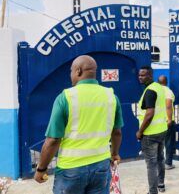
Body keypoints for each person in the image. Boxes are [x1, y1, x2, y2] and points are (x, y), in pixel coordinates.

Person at [34, 55, 123, 194]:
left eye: (71, 71)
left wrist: (41, 168)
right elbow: (116, 132)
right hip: (101, 166)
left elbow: (53, 140)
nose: (71, 75)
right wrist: (115, 154)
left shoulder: (65, 97)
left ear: (78, 71)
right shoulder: (111, 96)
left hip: (71, 169)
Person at [136, 66, 168, 194]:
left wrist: (140, 131)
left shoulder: (150, 91)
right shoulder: (158, 87)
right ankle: (161, 184)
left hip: (150, 134)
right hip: (162, 130)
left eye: (143, 75)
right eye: (139, 75)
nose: (140, 77)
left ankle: (152, 191)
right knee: (160, 159)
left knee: (151, 164)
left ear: (150, 75)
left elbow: (149, 114)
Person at [158, 75, 176, 170]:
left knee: (158, 143)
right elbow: (168, 105)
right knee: (168, 142)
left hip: (157, 122)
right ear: (166, 82)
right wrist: (169, 119)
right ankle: (168, 163)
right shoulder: (168, 91)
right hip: (167, 121)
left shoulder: (155, 91)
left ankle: (158, 163)